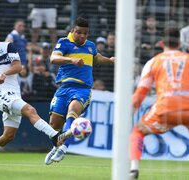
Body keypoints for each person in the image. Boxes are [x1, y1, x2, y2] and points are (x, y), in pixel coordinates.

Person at [0, 19, 70, 169]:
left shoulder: (8, 46)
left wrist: (4, 73)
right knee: (30, 110)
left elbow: (18, 66)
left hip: (14, 94)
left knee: (8, 136)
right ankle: (55, 137)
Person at [44, 17, 115, 164]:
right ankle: (56, 146)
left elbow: (96, 58)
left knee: (73, 111)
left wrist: (109, 60)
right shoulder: (64, 42)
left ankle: (64, 148)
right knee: (54, 125)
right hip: (63, 89)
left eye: (85, 33)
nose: (82, 36)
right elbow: (53, 58)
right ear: (72, 31)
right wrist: (71, 60)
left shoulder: (90, 46)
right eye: (79, 32)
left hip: (82, 89)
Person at [129, 27, 189, 179]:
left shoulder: (153, 62)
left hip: (165, 109)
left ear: (162, 43)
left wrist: (126, 116)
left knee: (138, 131)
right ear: (180, 44)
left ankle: (133, 170)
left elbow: (139, 95)